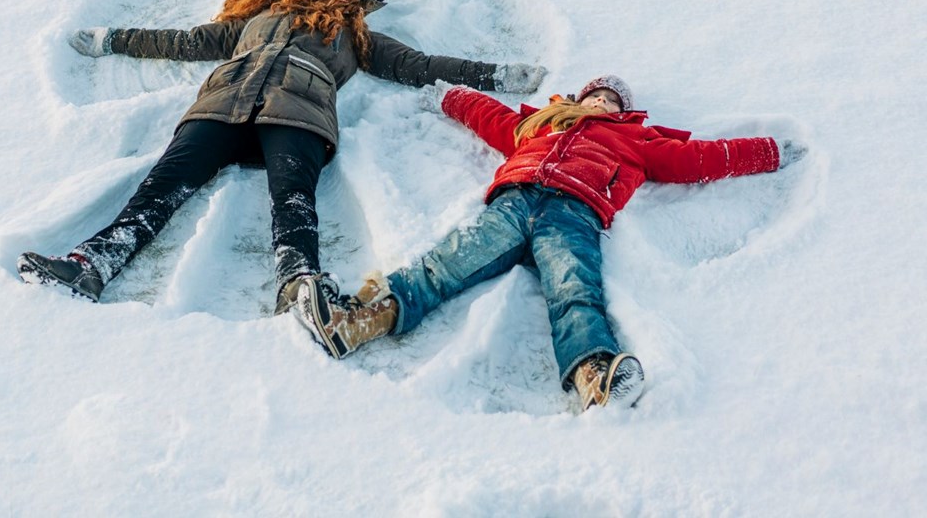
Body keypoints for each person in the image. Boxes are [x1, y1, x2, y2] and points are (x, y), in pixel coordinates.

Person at [17, 0, 548, 312]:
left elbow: (421, 64)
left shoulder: (354, 33)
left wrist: (494, 75)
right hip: (223, 101)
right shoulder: (256, 18)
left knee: (293, 195)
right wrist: (113, 39)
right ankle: (93, 263)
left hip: (301, 109)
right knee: (164, 183)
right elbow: (182, 41)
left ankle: (298, 282)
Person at [293, 74, 807, 411]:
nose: (602, 102)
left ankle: (593, 375)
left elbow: (702, 159)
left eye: (612, 101)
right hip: (513, 202)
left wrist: (767, 151)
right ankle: (357, 320)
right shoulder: (540, 125)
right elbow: (490, 116)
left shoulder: (640, 141)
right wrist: (448, 95)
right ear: (580, 97)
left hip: (575, 213)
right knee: (446, 263)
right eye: (596, 95)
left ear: (625, 112)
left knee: (573, 288)